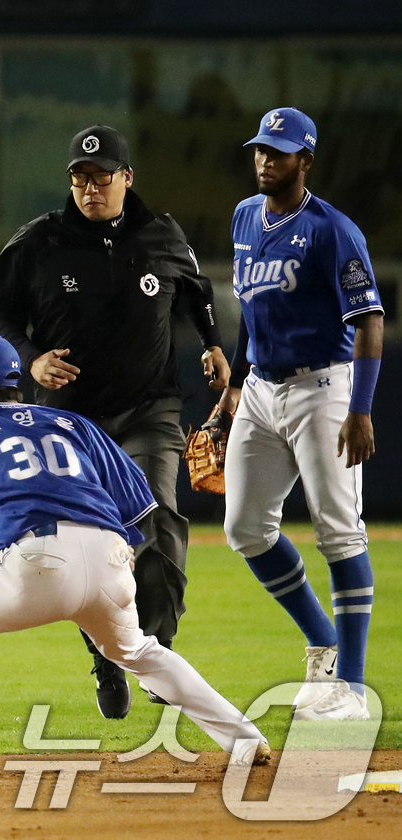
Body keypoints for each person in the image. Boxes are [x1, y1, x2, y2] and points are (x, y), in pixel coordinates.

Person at [0, 333, 269, 776]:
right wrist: (121, 552)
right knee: (139, 652)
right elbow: (140, 507)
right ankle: (245, 739)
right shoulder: (71, 424)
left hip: (38, 562)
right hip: (111, 558)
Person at [0, 125, 228, 719]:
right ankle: (108, 655)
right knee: (87, 547)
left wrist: (212, 344)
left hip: (150, 408)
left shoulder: (161, 234)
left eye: (102, 176)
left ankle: (153, 651)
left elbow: (196, 290)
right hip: (71, 421)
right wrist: (29, 357)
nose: (91, 188)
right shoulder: (40, 242)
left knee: (156, 523)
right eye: (80, 178)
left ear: (126, 178)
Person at [216, 108, 382, 721]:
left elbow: (368, 321)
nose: (265, 160)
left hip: (324, 388)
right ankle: (324, 646)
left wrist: (360, 410)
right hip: (260, 388)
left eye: (280, 152)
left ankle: (354, 690)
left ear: (304, 160)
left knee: (339, 532)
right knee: (244, 529)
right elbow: (248, 308)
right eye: (261, 148)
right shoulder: (243, 217)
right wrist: (234, 384)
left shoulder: (332, 230)